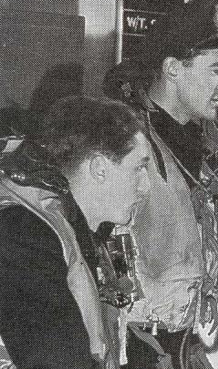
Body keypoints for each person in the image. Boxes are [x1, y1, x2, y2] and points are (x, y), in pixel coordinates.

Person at [103, 0, 218, 368]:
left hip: (183, 342)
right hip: (139, 347)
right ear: (174, 68)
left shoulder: (190, 147)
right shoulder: (126, 144)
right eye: (216, 70)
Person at [0, 95, 151, 368]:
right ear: (99, 168)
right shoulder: (25, 234)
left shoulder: (71, 232)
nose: (146, 187)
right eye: (139, 168)